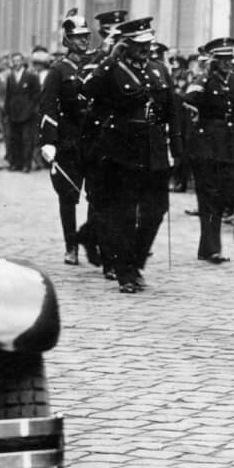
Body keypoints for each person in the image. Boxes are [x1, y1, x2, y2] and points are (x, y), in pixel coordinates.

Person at [86, 16, 178, 293]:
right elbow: (87, 88)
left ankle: (135, 260)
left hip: (155, 151)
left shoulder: (159, 70)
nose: (146, 49)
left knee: (156, 210)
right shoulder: (113, 70)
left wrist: (177, 149)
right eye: (139, 45)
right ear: (125, 45)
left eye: (148, 43)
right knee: (124, 213)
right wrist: (109, 59)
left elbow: (172, 111)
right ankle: (125, 271)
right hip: (122, 151)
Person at [39, 12, 94, 265]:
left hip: (94, 139)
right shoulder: (58, 71)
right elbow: (48, 106)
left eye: (85, 36)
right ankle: (71, 246)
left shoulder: (95, 66)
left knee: (98, 196)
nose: (83, 41)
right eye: (77, 37)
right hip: (69, 140)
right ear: (67, 40)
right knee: (68, 196)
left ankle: (94, 242)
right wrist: (49, 141)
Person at [185, 37, 234, 264]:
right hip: (207, 145)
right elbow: (188, 99)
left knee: (223, 195)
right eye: (222, 59)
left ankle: (208, 247)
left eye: (229, 59)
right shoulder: (205, 80)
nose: (227, 63)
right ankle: (211, 248)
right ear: (214, 61)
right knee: (208, 196)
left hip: (229, 146)